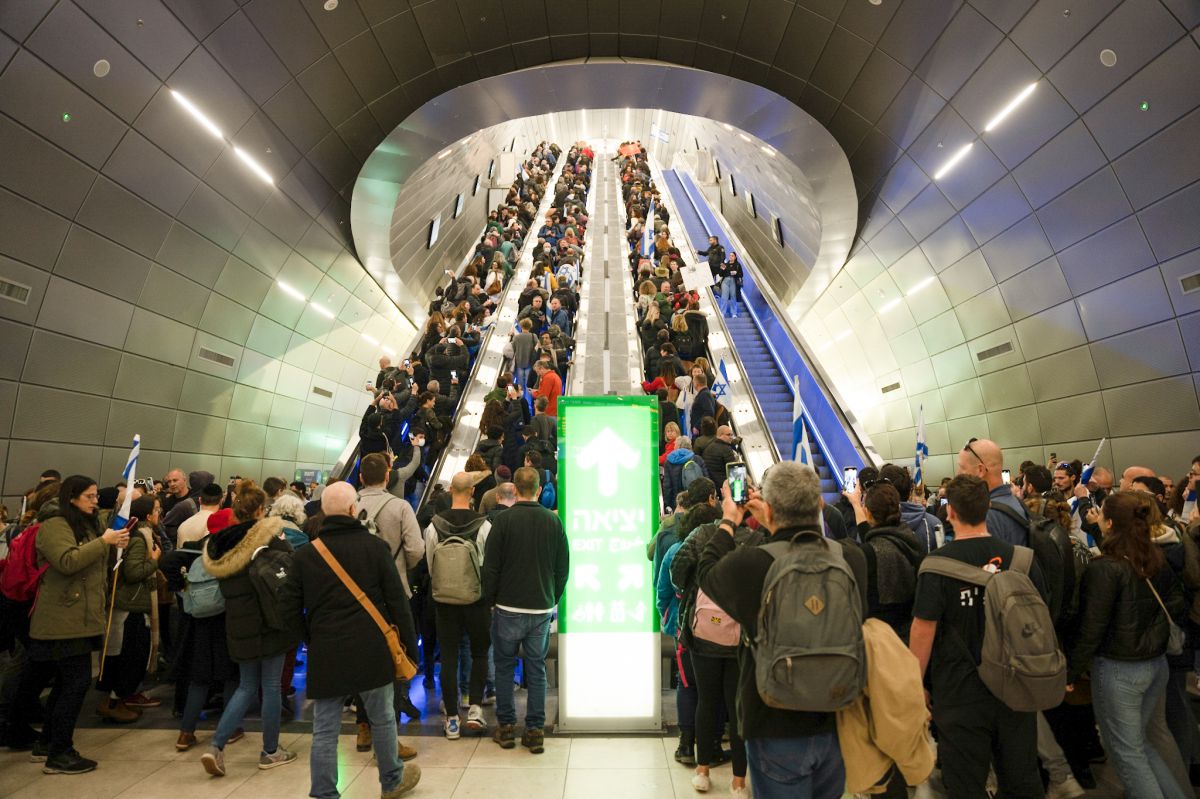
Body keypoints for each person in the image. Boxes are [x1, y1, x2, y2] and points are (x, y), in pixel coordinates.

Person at [696, 462, 867, 797]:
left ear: (769, 510)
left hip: (773, 720)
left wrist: (731, 518)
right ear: (819, 505)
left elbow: (707, 571)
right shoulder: (852, 558)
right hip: (838, 717)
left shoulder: (753, 565)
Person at [279, 482, 422, 799]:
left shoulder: (305, 555)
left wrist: (309, 636)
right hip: (371, 647)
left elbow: (287, 607)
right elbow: (397, 603)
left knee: (325, 727)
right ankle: (391, 781)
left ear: (324, 512)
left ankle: (324, 791)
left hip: (326, 650)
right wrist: (411, 648)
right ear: (353, 510)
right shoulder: (375, 548)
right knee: (383, 719)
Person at [909, 474, 1047, 798]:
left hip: (959, 692)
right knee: (1022, 778)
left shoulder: (936, 566)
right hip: (1017, 686)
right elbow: (1043, 616)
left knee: (964, 783)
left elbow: (923, 631)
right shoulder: (1021, 559)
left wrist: (915, 686)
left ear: (951, 512)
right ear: (987, 508)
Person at [1069, 491, 1190, 799]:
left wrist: (1070, 672)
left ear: (1108, 523)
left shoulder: (1105, 568)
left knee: (1126, 753)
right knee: (1140, 746)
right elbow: (1177, 604)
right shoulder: (1156, 557)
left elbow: (1091, 628)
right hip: (1156, 664)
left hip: (1120, 671)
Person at [17, 476, 131, 773]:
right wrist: (103, 542)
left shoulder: (83, 524)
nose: (95, 501)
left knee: (66, 685)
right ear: (72, 498)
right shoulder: (54, 525)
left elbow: (91, 560)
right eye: (90, 497)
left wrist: (111, 543)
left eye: (95, 496)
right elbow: (67, 561)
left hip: (80, 616)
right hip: (63, 619)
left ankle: (47, 744)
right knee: (75, 685)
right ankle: (60, 752)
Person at [200, 481, 298, 777]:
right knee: (270, 687)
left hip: (237, 623)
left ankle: (216, 746)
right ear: (259, 510)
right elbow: (289, 568)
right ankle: (270, 751)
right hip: (269, 621)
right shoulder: (269, 538)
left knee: (245, 686)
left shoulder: (220, 544)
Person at [671, 499, 757, 797]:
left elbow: (676, 571)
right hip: (741, 637)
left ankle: (703, 771)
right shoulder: (756, 539)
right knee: (738, 708)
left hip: (704, 633)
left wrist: (697, 586)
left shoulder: (702, 534)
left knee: (706, 702)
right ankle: (739, 781)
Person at [483, 467, 569, 754]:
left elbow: (491, 566)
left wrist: (491, 600)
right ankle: (534, 731)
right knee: (537, 668)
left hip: (507, 606)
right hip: (540, 608)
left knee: (505, 666)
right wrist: (552, 597)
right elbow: (562, 568)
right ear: (539, 489)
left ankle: (506, 728)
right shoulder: (552, 522)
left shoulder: (503, 521)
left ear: (516, 490)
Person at [424, 472, 492, 739]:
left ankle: (452, 718)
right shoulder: (484, 526)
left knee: (449, 657)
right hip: (476, 600)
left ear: (450, 490)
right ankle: (475, 708)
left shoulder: (434, 526)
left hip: (444, 601)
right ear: (472, 492)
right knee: (479, 654)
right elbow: (488, 563)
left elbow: (430, 565)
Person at [94, 493, 162, 723]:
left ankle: (117, 701)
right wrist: (154, 560)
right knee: (129, 657)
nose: (159, 513)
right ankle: (113, 703)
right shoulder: (139, 537)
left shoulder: (136, 533)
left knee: (127, 656)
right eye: (157, 509)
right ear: (147, 514)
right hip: (130, 606)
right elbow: (132, 572)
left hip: (130, 604)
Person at [958, 438, 1029, 546]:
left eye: (962, 467)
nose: (958, 473)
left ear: (980, 470)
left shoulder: (985, 516)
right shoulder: (1017, 503)